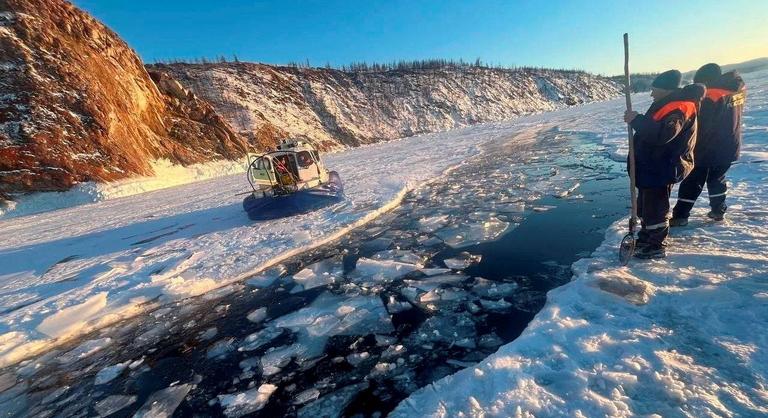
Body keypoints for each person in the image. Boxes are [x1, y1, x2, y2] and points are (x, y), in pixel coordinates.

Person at [624, 70, 705, 259]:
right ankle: (646, 237)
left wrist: (637, 120)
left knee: (655, 208)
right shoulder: (667, 104)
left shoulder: (678, 108)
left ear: (665, 89)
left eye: (654, 89)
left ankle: (655, 246)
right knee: (646, 206)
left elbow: (662, 135)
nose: (651, 94)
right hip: (653, 165)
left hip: (662, 166)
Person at [670, 63, 746, 225]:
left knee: (692, 179)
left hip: (707, 147)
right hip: (730, 144)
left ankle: (680, 216)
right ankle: (718, 210)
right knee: (717, 178)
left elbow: (701, 123)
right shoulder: (736, 89)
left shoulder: (710, 95)